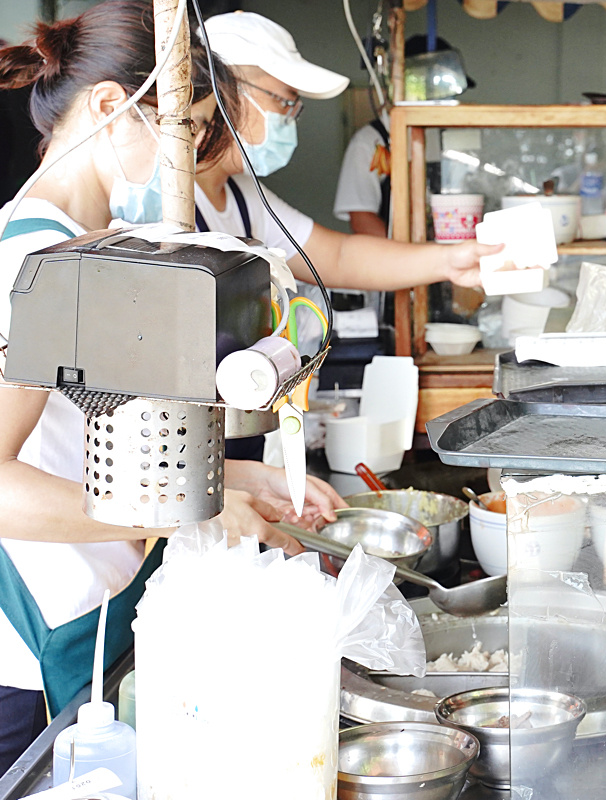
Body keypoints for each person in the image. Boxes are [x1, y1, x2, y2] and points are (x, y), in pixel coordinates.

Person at [0, 0, 343, 772]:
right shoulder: (31, 267)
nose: (184, 158)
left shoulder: (100, 252)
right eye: (179, 129)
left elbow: (99, 433)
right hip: (32, 649)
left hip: (105, 603)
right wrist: (203, 509)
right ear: (111, 109)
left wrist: (237, 474)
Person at [196, 13, 499, 311]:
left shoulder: (244, 197)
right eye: (285, 102)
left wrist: (450, 260)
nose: (291, 119)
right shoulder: (163, 198)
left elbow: (339, 257)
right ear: (224, 90)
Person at [334, 36, 475, 238]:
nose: (445, 99)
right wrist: (409, 257)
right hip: (397, 262)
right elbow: (362, 220)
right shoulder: (371, 141)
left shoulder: (451, 137)